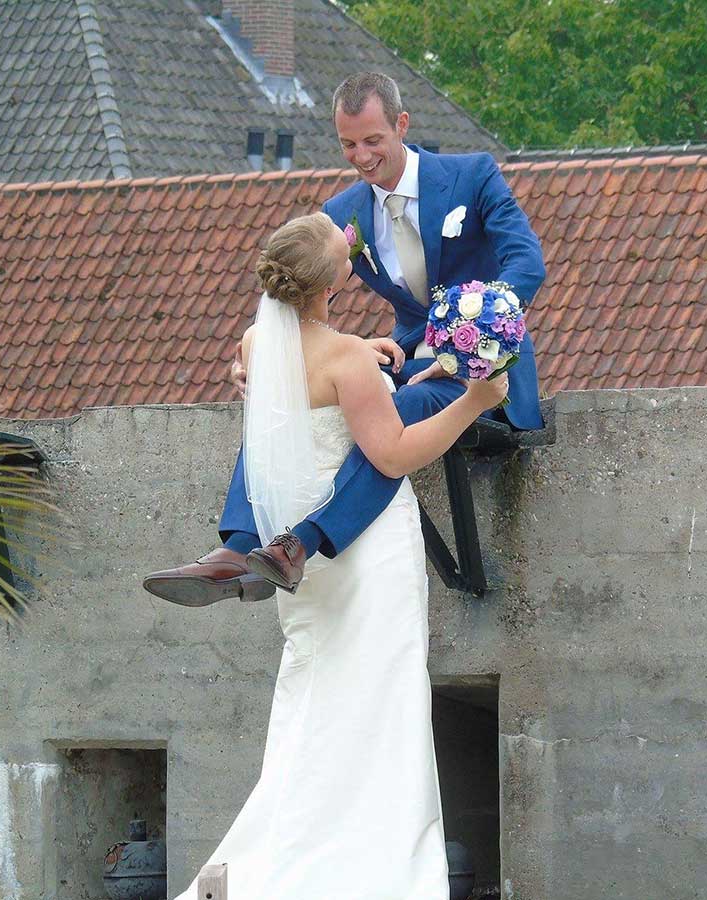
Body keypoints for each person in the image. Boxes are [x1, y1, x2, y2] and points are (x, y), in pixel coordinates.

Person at [172, 213, 507, 900]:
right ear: (337, 279)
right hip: (367, 549)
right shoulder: (347, 358)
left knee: (312, 696)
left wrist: (376, 360)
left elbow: (305, 405)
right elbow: (394, 455)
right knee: (379, 697)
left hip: (301, 545)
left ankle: (237, 546)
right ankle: (370, 868)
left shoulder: (258, 342)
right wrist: (474, 401)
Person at [143, 71, 546, 604]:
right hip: (406, 358)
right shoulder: (341, 215)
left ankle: (298, 544)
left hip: (482, 372)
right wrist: (263, 357)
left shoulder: (472, 176)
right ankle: (239, 548)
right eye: (348, 145)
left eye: (373, 140)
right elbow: (296, 288)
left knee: (404, 404)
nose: (361, 157)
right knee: (291, 394)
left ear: (402, 125)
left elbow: (526, 263)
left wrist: (467, 342)